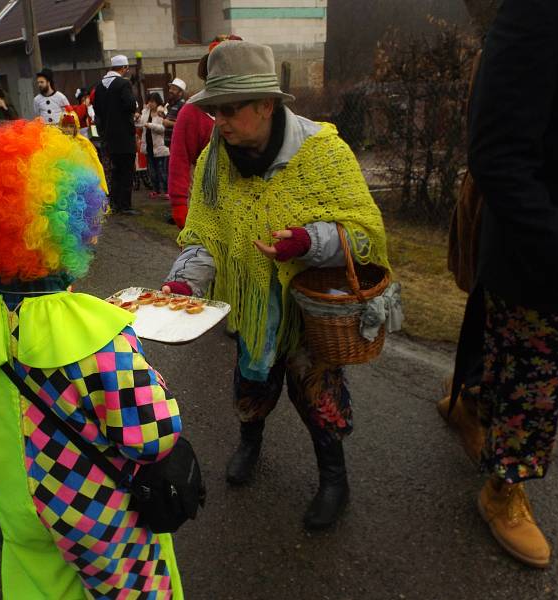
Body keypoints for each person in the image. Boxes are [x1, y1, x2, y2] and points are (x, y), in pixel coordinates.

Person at [0, 119, 184, 599]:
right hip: (103, 522)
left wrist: (17, 475)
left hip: (19, 513)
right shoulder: (99, 331)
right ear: (75, 225)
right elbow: (154, 435)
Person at [162, 41, 391, 530]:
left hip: (312, 309)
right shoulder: (214, 162)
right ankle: (251, 443)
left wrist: (307, 241)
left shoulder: (322, 153)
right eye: (212, 110)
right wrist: (183, 286)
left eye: (229, 109)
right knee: (252, 381)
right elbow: (205, 237)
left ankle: (335, 479)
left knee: (319, 393)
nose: (217, 121)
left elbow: (365, 236)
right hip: (252, 306)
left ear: (266, 104)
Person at [447, 0, 558, 569]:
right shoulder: (541, 12)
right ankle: (502, 489)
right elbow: (497, 157)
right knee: (535, 393)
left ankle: (473, 401)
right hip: (543, 255)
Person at [168, 36, 240, 228]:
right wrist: (179, 204)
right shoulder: (192, 112)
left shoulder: (255, 108)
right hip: (208, 205)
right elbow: (179, 160)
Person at [92, 55, 138, 215]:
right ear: (124, 68)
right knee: (126, 170)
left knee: (115, 170)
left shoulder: (99, 86)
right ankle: (125, 205)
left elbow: (96, 110)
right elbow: (131, 105)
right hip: (124, 135)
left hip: (107, 136)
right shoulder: (123, 84)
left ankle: (115, 203)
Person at [137, 92, 169, 198]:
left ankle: (167, 191)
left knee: (162, 170)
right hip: (148, 146)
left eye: (153, 101)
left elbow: (163, 128)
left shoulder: (162, 112)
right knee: (152, 171)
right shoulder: (145, 112)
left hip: (160, 147)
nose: (150, 104)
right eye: (149, 101)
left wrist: (150, 125)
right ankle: (156, 190)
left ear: (157, 102)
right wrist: (137, 118)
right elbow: (140, 125)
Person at [162, 78, 186, 148]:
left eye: (174, 89)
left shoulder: (182, 105)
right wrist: (163, 115)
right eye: (170, 89)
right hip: (171, 145)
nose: (170, 91)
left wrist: (169, 123)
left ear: (180, 93)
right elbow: (170, 120)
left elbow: (185, 125)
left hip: (178, 145)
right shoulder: (171, 104)